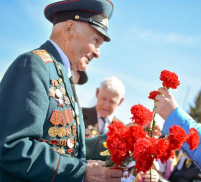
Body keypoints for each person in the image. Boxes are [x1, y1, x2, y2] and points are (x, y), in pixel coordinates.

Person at [0, 0, 123, 181]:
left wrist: (122, 139)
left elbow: (69, 147)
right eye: (96, 41)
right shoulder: (34, 65)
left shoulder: (61, 74)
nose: (97, 52)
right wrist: (82, 172)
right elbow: (13, 146)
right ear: (69, 28)